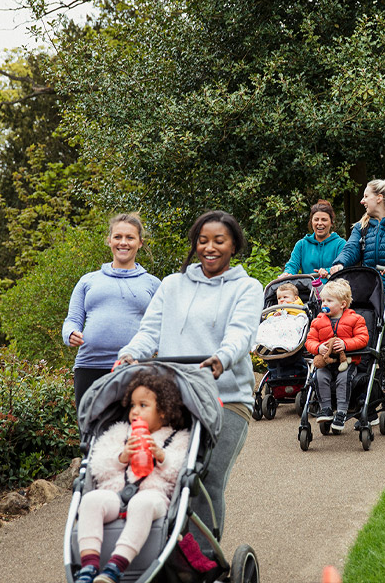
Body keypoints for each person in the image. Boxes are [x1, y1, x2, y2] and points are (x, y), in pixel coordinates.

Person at [117, 210, 263, 553]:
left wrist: (222, 357)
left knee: (205, 478)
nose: (209, 248)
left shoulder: (247, 288)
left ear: (233, 245)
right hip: (174, 397)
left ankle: (203, 559)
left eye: (219, 241)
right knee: (163, 475)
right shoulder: (173, 285)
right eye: (202, 240)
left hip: (225, 398)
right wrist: (129, 354)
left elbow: (241, 334)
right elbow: (149, 332)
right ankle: (160, 551)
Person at [74, 371, 191, 583]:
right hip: (116, 494)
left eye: (143, 406)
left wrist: (162, 456)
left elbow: (180, 473)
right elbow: (98, 466)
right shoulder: (120, 433)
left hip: (154, 496)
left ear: (163, 412)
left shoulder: (177, 438)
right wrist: (122, 456)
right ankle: (88, 567)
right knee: (90, 500)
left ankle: (115, 567)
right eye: (132, 406)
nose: (135, 411)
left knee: (142, 503)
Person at [62, 213, 161, 410]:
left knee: (132, 434)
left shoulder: (153, 284)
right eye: (117, 237)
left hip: (135, 368)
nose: (123, 242)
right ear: (109, 241)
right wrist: (70, 334)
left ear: (140, 243)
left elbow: (162, 326)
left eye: (130, 237)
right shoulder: (88, 281)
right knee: (91, 434)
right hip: (89, 367)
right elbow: (72, 320)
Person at [330, 179, 385, 330]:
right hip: (368, 292)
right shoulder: (361, 227)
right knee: (360, 329)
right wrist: (340, 263)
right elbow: (350, 249)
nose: (362, 201)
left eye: (365, 196)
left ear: (379, 198)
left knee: (384, 328)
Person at [305, 279, 369, 431]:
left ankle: (341, 412)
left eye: (329, 301)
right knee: (319, 376)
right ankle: (325, 408)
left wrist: (346, 344)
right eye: (323, 301)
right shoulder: (317, 321)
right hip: (326, 363)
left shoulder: (356, 319)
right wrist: (318, 347)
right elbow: (310, 341)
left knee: (343, 379)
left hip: (347, 362)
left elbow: (363, 339)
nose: (324, 304)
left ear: (342, 304)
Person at [280, 199, 346, 282]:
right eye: (316, 219)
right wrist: (287, 273)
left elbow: (342, 267)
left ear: (331, 222)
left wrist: (327, 271)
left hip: (333, 290)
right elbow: (292, 265)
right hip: (308, 290)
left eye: (324, 220)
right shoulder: (302, 244)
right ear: (311, 222)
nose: (319, 223)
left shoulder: (340, 244)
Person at [254, 282, 308, 353]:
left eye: (285, 297)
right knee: (265, 327)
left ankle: (285, 346)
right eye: (279, 298)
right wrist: (274, 315)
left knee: (289, 328)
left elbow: (300, 313)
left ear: (296, 298)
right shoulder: (278, 308)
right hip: (278, 324)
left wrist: (285, 310)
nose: (281, 300)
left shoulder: (298, 305)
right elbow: (269, 316)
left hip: (291, 322)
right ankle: (263, 344)